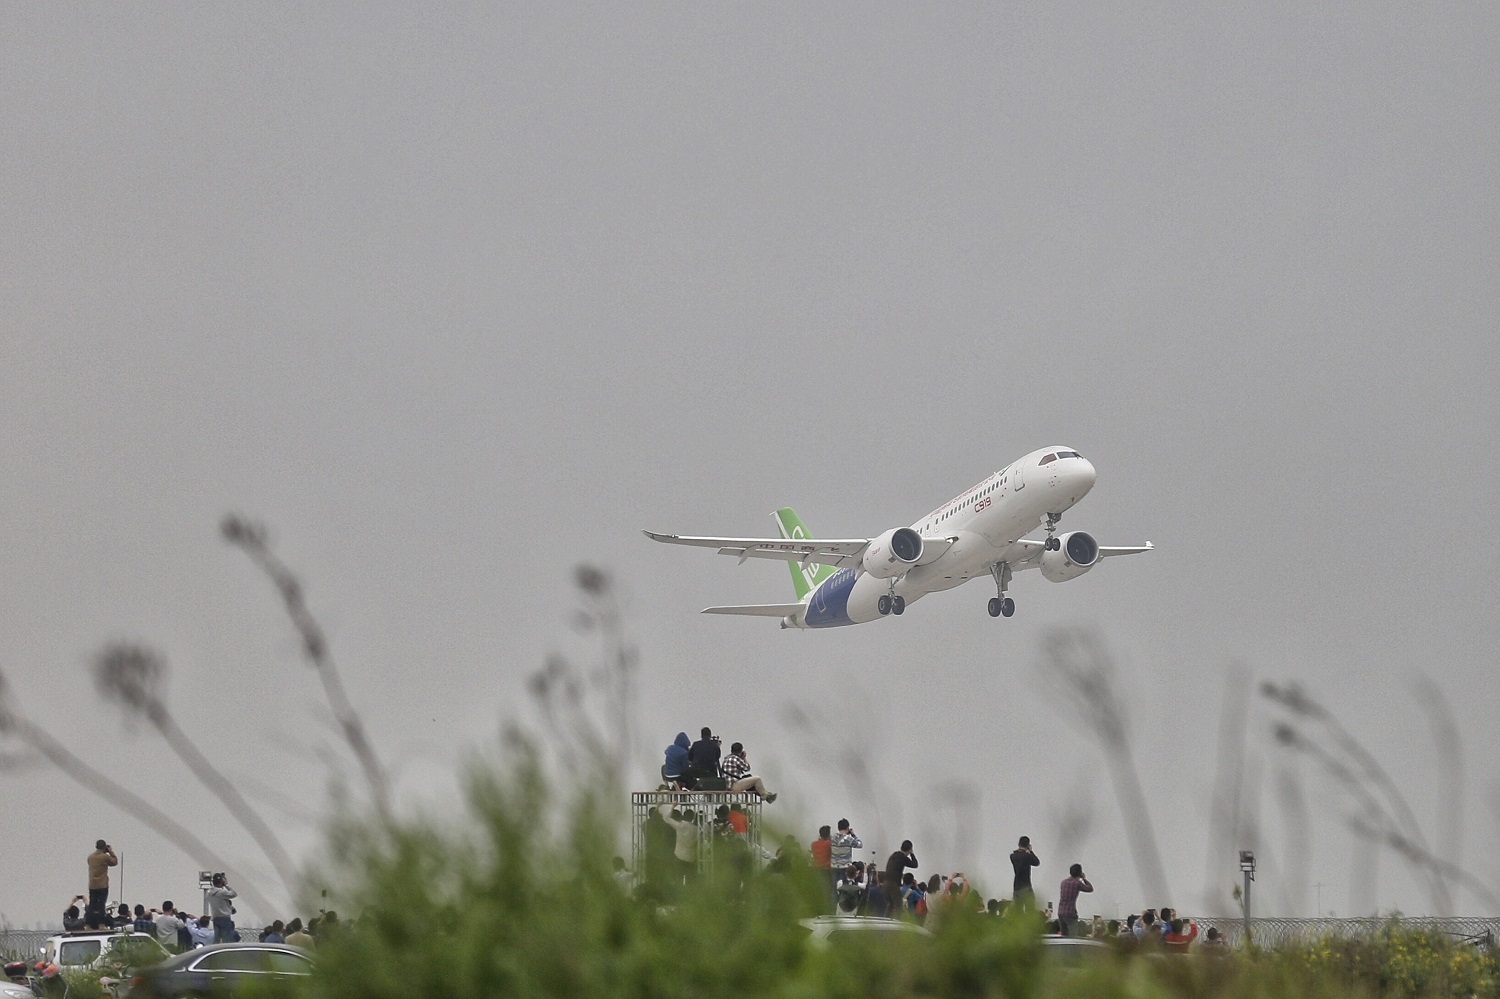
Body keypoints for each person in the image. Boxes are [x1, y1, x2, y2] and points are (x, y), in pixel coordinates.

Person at [1057, 863, 1093, 936]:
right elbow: (1090, 889)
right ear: (1079, 873)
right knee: (1073, 936)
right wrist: (1084, 879)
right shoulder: (1077, 883)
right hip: (1070, 912)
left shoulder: (1063, 882)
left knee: (1064, 936)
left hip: (1061, 911)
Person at [883, 840, 918, 915]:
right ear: (909, 849)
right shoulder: (903, 857)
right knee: (899, 906)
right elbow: (915, 865)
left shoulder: (894, 855)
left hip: (885, 882)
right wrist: (912, 854)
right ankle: (897, 924)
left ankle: (885, 919)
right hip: (893, 884)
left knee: (890, 904)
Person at [86, 840, 117, 922]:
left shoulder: (90, 857)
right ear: (104, 847)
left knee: (92, 905)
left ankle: (88, 923)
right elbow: (114, 862)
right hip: (102, 885)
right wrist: (110, 852)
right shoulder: (104, 857)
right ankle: (101, 923)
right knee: (101, 905)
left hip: (92, 885)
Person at [830, 819, 862, 892]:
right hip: (845, 867)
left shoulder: (832, 838)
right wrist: (853, 835)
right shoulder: (849, 839)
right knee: (844, 888)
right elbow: (860, 844)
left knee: (834, 889)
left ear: (838, 828)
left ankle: (833, 903)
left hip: (834, 866)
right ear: (847, 828)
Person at [205, 873, 238, 943]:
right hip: (224, 918)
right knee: (227, 940)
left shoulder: (209, 893)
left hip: (216, 918)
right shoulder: (222, 892)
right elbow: (234, 894)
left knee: (216, 939)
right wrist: (226, 885)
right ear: (221, 882)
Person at [1010, 836, 1040, 908]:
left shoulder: (1013, 856)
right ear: (1028, 845)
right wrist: (1031, 851)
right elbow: (1037, 862)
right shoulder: (1027, 856)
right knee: (1030, 909)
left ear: (1018, 844)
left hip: (1017, 886)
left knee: (1018, 910)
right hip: (1026, 885)